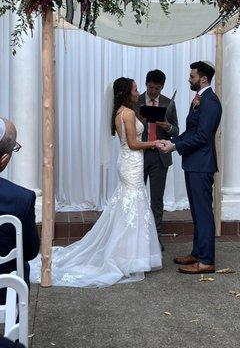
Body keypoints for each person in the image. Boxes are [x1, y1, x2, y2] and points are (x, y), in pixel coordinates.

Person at [29, 77, 162, 287]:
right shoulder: (126, 113)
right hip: (131, 162)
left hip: (130, 162)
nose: (138, 93)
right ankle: (126, 255)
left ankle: (129, 253)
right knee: (133, 204)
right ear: (127, 93)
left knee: (130, 204)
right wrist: (154, 143)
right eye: (136, 90)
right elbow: (134, 143)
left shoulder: (121, 112)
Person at [160, 61, 222, 274]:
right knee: (197, 212)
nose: (189, 79)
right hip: (193, 163)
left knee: (203, 213)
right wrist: (174, 141)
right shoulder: (199, 99)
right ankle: (197, 253)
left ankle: (206, 261)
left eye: (192, 76)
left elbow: (203, 137)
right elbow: (191, 131)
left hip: (202, 165)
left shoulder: (210, 102)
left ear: (203, 79)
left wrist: (176, 146)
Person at [137, 69, 179, 249]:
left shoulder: (168, 103)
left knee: (157, 199)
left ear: (163, 87)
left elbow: (176, 131)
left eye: (157, 88)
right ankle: (136, 235)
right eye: (151, 87)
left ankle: (155, 238)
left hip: (160, 156)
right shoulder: (136, 102)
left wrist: (168, 127)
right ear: (146, 84)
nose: (153, 91)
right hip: (139, 154)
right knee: (136, 197)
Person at [0, 118, 40, 304]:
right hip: (4, 291)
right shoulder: (22, 199)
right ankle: (15, 329)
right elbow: (31, 252)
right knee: (22, 265)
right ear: (4, 160)